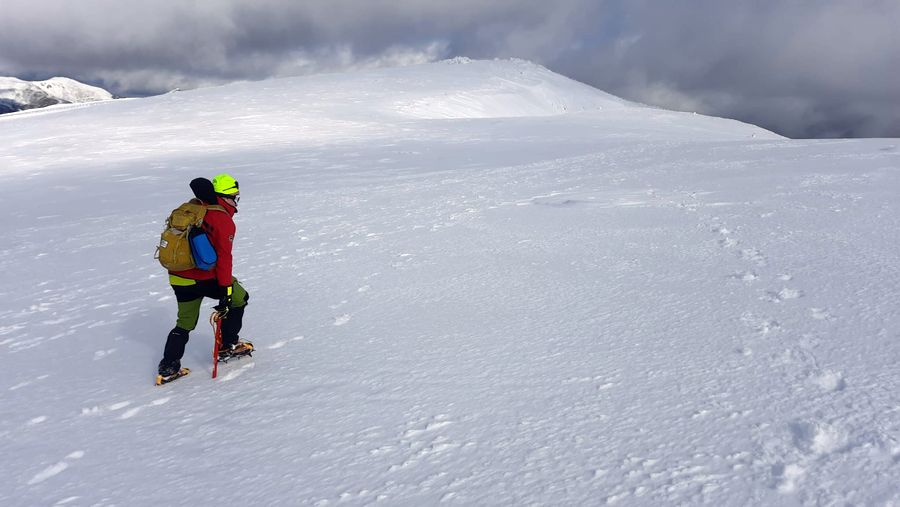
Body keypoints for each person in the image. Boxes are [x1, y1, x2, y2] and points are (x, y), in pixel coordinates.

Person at [158, 173, 253, 378]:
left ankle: (168, 367)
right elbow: (224, 258)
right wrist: (226, 290)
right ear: (223, 197)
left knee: (185, 322)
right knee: (239, 298)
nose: (235, 202)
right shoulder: (221, 219)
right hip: (205, 278)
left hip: (178, 276)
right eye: (234, 197)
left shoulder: (192, 209)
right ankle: (227, 345)